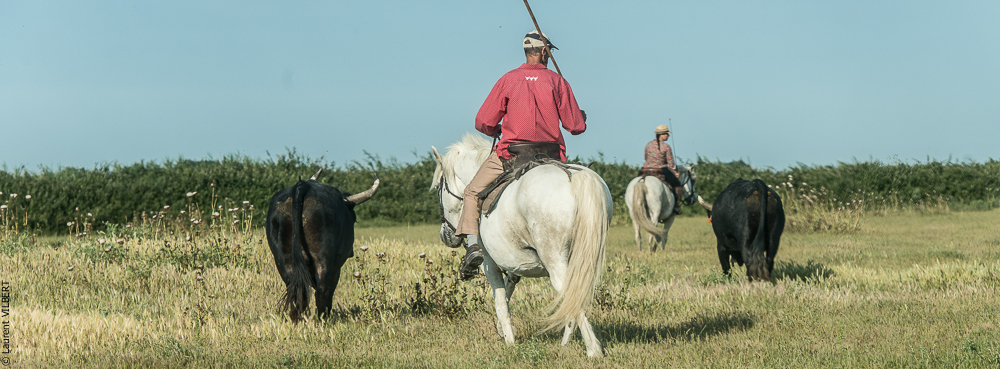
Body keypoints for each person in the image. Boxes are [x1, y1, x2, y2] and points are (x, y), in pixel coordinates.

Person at [455, 30, 588, 280]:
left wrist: (496, 130)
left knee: (471, 191)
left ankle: (472, 247)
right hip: (550, 156)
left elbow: (482, 122)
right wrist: (581, 117)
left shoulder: (508, 79)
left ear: (527, 52)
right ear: (544, 52)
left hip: (512, 155)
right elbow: (575, 127)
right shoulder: (558, 82)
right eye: (549, 52)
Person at [641, 124, 684, 214]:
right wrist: (675, 172)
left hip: (646, 169)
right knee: (677, 185)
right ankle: (676, 206)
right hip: (661, 169)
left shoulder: (648, 145)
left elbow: (645, 157)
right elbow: (671, 163)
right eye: (667, 134)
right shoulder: (666, 146)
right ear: (662, 135)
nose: (668, 136)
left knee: (638, 181)